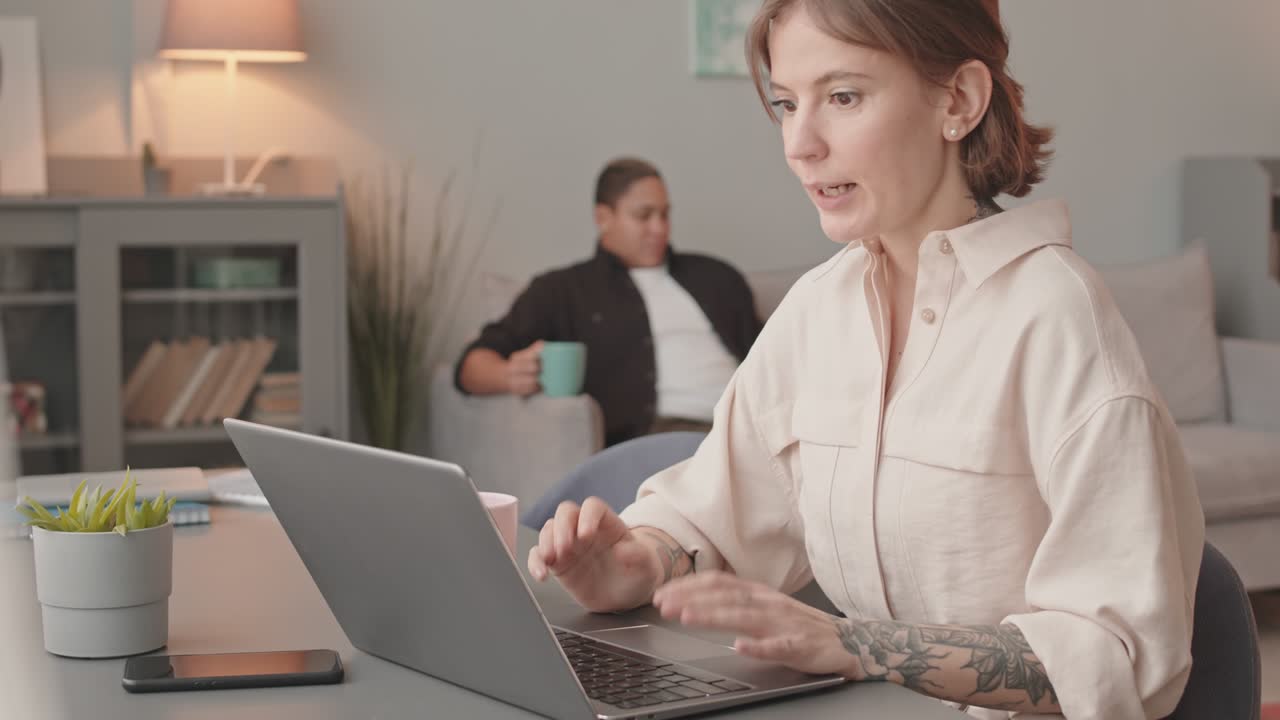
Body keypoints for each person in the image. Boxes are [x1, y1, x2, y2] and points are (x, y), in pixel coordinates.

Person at [527, 2, 1205, 718]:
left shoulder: (1059, 319)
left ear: (959, 100)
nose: (800, 142)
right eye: (788, 103)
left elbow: (1116, 654)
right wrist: (633, 562)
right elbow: (715, 510)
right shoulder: (819, 308)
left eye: (843, 97)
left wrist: (857, 646)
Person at [454, 158, 763, 446]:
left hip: (750, 430)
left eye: (665, 214)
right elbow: (470, 366)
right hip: (661, 439)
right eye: (643, 215)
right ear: (603, 217)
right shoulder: (564, 290)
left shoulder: (717, 277)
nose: (660, 228)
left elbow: (773, 357)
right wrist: (509, 375)